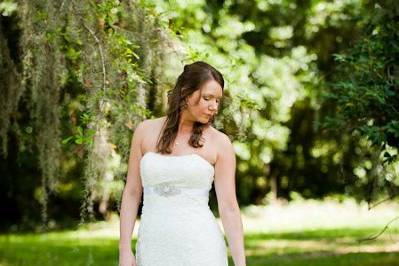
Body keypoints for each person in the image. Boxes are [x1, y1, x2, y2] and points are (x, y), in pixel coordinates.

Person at [119, 61, 246, 266]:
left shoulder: (220, 143)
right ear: (186, 93)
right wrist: (124, 250)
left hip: (202, 249)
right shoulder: (144, 131)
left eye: (218, 100)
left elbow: (229, 207)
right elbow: (132, 192)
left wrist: (241, 264)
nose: (214, 107)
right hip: (153, 249)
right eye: (207, 98)